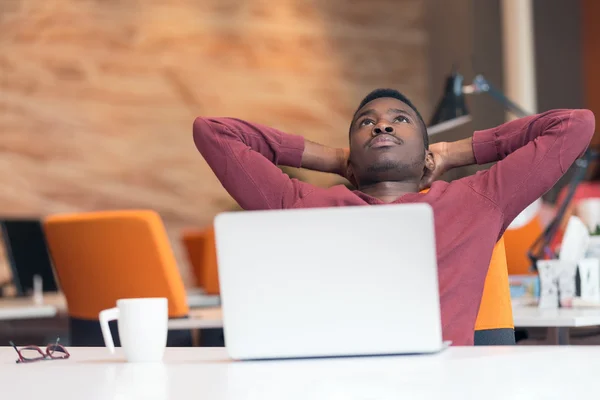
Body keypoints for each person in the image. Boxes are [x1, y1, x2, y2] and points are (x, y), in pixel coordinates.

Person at [192, 88, 595, 346]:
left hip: (445, 385)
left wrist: (458, 152)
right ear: (349, 159)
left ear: (426, 154)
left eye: (400, 120)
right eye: (366, 123)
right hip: (332, 382)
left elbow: (575, 126)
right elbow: (212, 132)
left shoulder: (476, 200)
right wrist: (329, 158)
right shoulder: (301, 205)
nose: (382, 124)